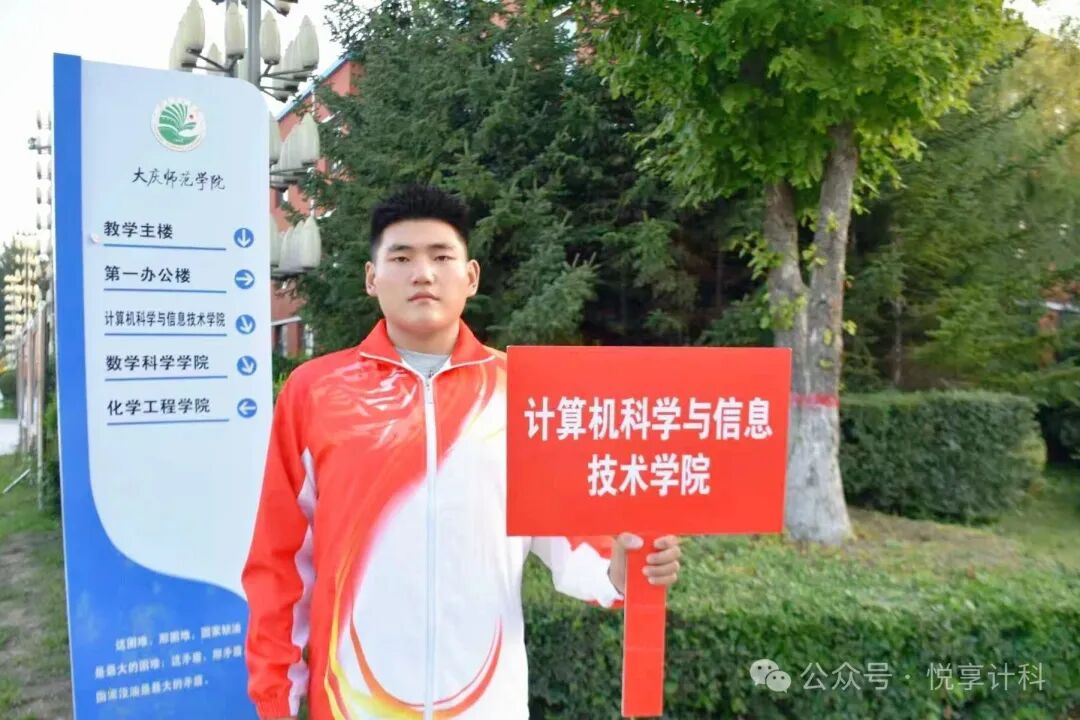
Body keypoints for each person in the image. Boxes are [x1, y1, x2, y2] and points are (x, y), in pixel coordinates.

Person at [242, 185, 682, 720]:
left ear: (470, 276)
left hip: (488, 704)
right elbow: (281, 560)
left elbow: (569, 536)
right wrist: (276, 701)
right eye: (401, 258)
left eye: (441, 256)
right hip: (352, 704)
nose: (423, 273)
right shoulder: (316, 392)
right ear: (371, 277)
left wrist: (622, 568)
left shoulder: (522, 393)